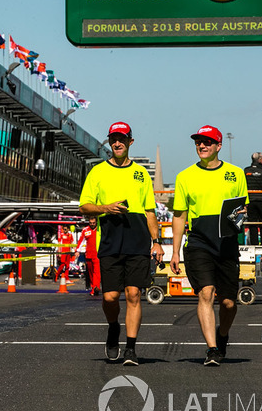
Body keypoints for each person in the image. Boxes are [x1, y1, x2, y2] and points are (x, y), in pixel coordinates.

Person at [79, 122, 162, 367]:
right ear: (110, 142)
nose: (117, 143)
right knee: (110, 297)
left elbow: (149, 212)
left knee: (134, 294)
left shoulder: (141, 173)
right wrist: (105, 208)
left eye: (122, 139)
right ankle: (113, 327)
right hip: (109, 241)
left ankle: (131, 348)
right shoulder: (97, 172)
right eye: (114, 139)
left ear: (130, 142)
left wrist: (156, 242)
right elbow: (84, 206)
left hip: (138, 242)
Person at [170, 125, 248, 366]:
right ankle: (212, 349)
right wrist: (174, 251)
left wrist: (240, 216)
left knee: (228, 302)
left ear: (218, 146)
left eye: (207, 142)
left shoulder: (236, 173)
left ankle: (222, 335)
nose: (201, 146)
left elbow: (241, 208)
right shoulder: (185, 176)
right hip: (198, 242)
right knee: (206, 292)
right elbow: (179, 215)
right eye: (198, 142)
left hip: (226, 243)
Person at [74, 216, 101, 296]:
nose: (92, 224)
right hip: (88, 254)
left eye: (94, 223)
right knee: (90, 272)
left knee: (97, 272)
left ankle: (96, 287)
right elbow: (81, 240)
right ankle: (93, 288)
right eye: (90, 223)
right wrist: (77, 251)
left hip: (97, 254)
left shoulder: (100, 229)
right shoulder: (85, 230)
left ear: (96, 222)